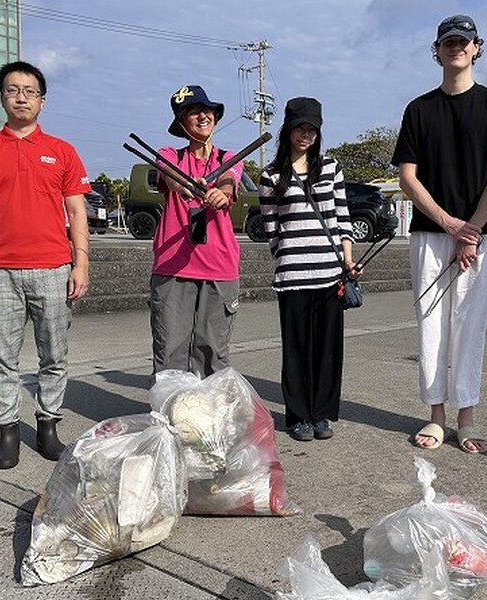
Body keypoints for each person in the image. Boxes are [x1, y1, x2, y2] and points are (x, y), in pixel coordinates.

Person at [392, 14, 487, 453]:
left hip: (482, 234)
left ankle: (466, 417)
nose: (456, 48)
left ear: (476, 48)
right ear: (438, 50)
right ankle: (436, 415)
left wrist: (470, 232)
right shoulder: (419, 108)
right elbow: (408, 177)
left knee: (470, 326)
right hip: (431, 231)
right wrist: (449, 224)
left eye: (463, 42)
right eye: (448, 42)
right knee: (431, 324)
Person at [0, 60, 91, 470]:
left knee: (54, 354)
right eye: (13, 90)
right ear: (2, 97)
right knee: (1, 356)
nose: (21, 97)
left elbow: (77, 211)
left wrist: (80, 264)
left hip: (53, 268)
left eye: (30, 91)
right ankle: (7, 431)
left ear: (42, 101)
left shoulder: (62, 152)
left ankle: (48, 426)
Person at [258, 97, 359, 442]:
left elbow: (342, 217)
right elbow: (271, 225)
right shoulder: (270, 176)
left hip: (330, 271)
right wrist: (285, 256)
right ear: (287, 129)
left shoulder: (331, 168)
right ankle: (298, 416)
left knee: (327, 348)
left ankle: (321, 414)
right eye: (300, 127)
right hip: (292, 275)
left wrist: (347, 260)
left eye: (312, 129)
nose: (306, 134)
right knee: (296, 349)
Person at [149, 85, 242, 382]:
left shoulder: (230, 157)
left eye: (207, 110)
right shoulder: (169, 154)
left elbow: (229, 180)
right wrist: (188, 185)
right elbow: (169, 175)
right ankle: (171, 417)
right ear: (181, 123)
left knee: (214, 352)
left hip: (219, 266)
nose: (202, 116)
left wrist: (220, 194)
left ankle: (210, 419)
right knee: (170, 351)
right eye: (191, 112)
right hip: (173, 266)